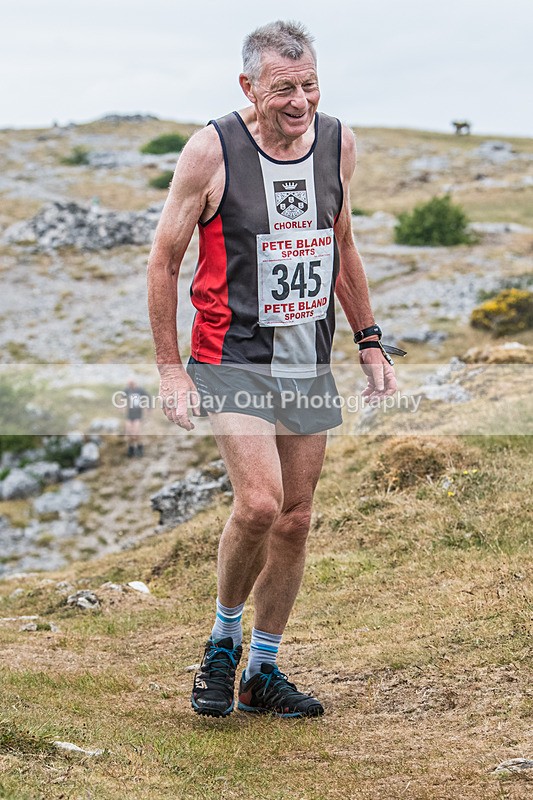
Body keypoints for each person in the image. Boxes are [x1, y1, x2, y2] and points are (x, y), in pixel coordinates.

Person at [147, 20, 398, 718]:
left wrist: (369, 339)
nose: (300, 101)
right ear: (248, 86)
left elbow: (341, 243)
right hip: (230, 356)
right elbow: (164, 261)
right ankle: (222, 643)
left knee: (295, 519)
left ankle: (262, 670)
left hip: (304, 359)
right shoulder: (212, 150)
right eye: (283, 88)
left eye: (310, 85)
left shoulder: (338, 143)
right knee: (259, 503)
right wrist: (169, 370)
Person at [123, 379, 149, 457]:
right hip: (129, 414)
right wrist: (122, 406)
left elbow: (148, 397)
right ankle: (130, 449)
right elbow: (122, 397)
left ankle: (140, 447)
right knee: (129, 432)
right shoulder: (127, 390)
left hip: (138, 414)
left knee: (136, 433)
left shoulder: (140, 390)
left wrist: (148, 408)